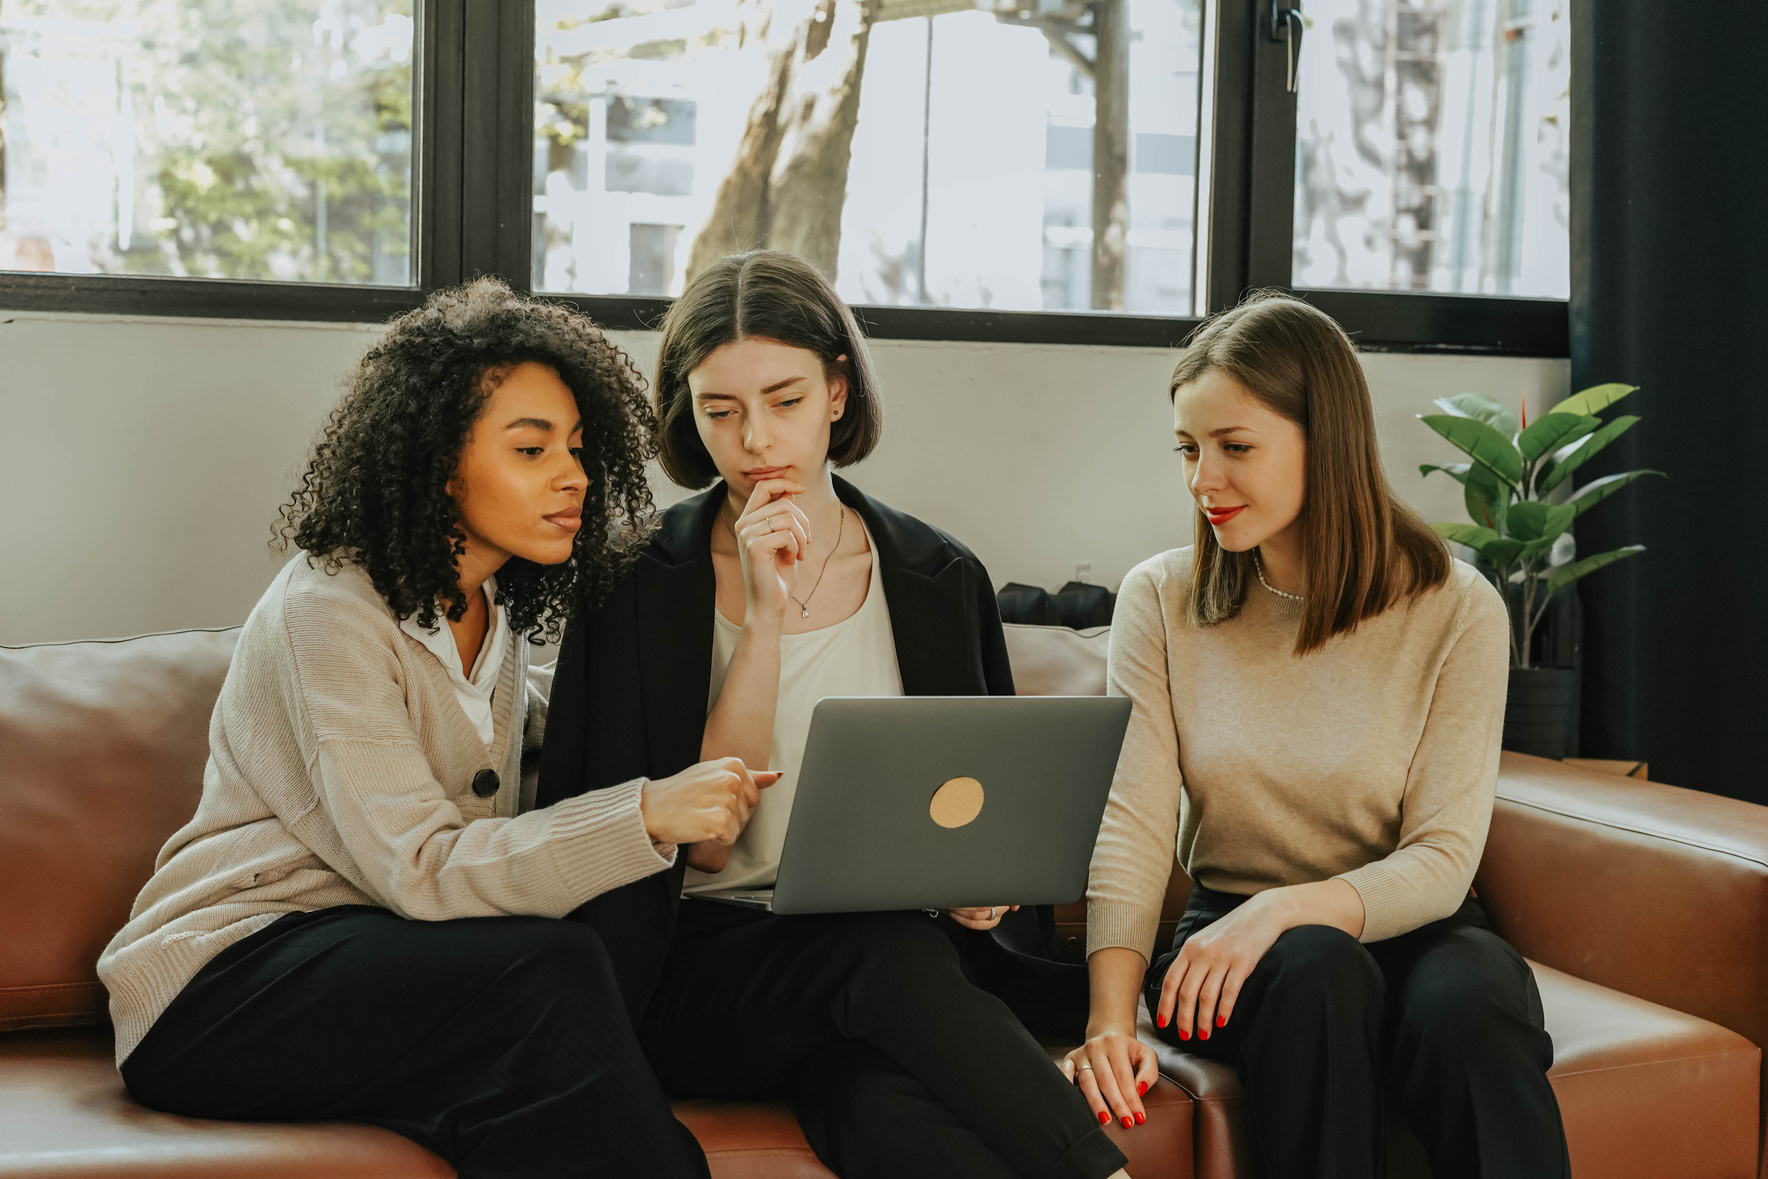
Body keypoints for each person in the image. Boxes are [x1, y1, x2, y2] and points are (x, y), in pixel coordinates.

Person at [97, 278, 777, 1179]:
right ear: (438, 461)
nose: (573, 474)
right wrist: (644, 814)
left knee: (534, 1108)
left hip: (388, 968)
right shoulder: (328, 610)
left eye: (575, 446)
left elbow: (543, 741)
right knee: (551, 967)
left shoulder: (482, 605)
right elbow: (420, 869)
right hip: (224, 985)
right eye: (531, 449)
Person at [540, 250, 1131, 1179]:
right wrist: (767, 620)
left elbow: (985, 803)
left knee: (871, 1100)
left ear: (839, 394)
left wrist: (981, 888)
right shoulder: (632, 581)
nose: (755, 441)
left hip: (891, 973)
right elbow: (693, 848)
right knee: (879, 955)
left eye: (785, 401)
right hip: (694, 970)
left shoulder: (939, 575)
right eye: (720, 411)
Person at [1063, 292, 1570, 1178]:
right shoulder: (1161, 598)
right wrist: (1109, 1017)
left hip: (1410, 919)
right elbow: (1134, 825)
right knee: (1317, 972)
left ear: (1323, 439)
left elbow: (1446, 855)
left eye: (1235, 448)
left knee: (1475, 1005)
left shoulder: (1457, 606)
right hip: (1235, 940)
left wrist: (1290, 905)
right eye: (1189, 449)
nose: (1201, 480)